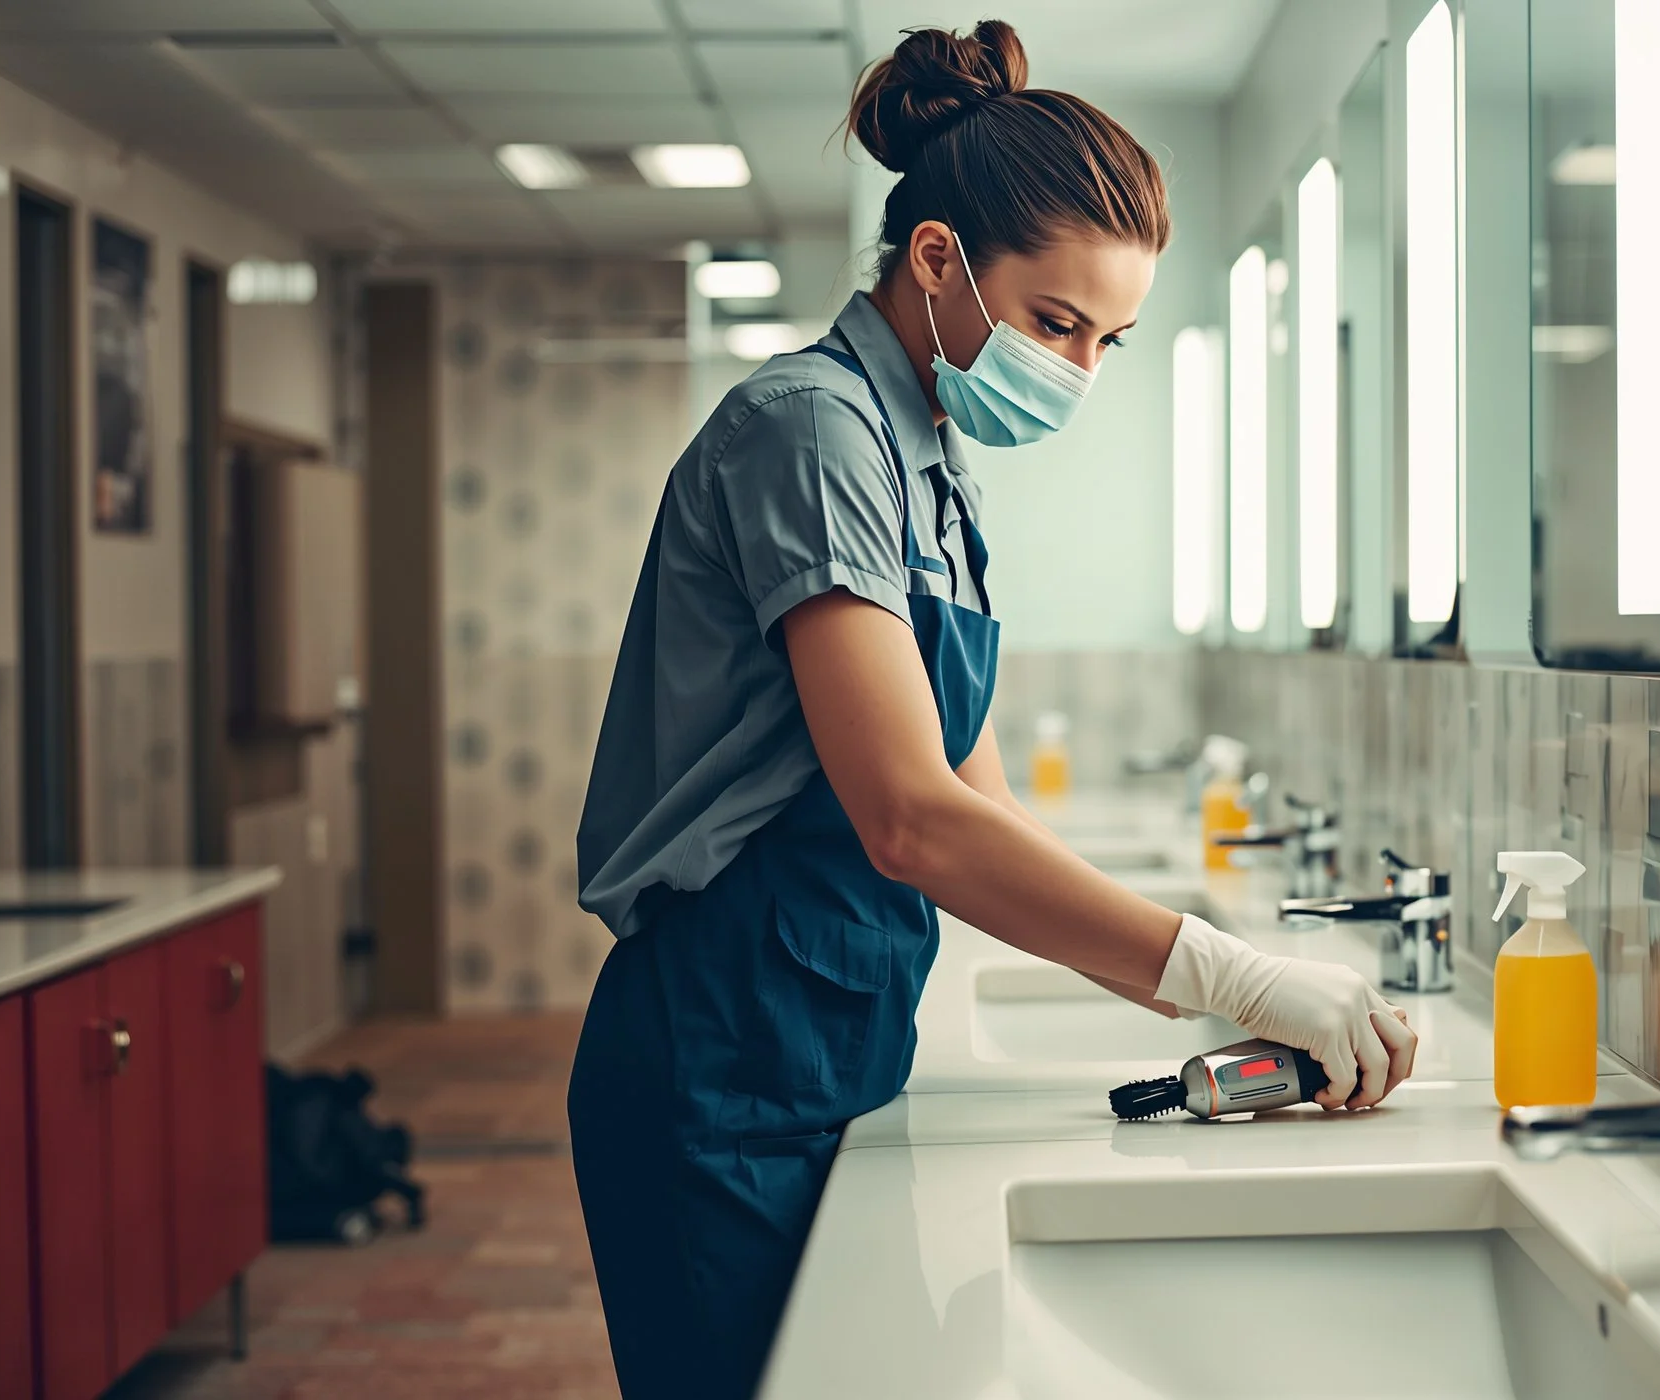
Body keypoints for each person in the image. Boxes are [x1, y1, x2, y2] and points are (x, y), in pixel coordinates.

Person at [568, 20, 1419, 1398]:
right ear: (939, 260)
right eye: (1056, 323)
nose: (1078, 370)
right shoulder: (812, 431)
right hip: (717, 1059)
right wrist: (1228, 972)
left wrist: (1191, 999)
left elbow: (982, 814)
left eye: (1112, 339)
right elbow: (910, 820)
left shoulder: (932, 465)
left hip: (830, 1035)